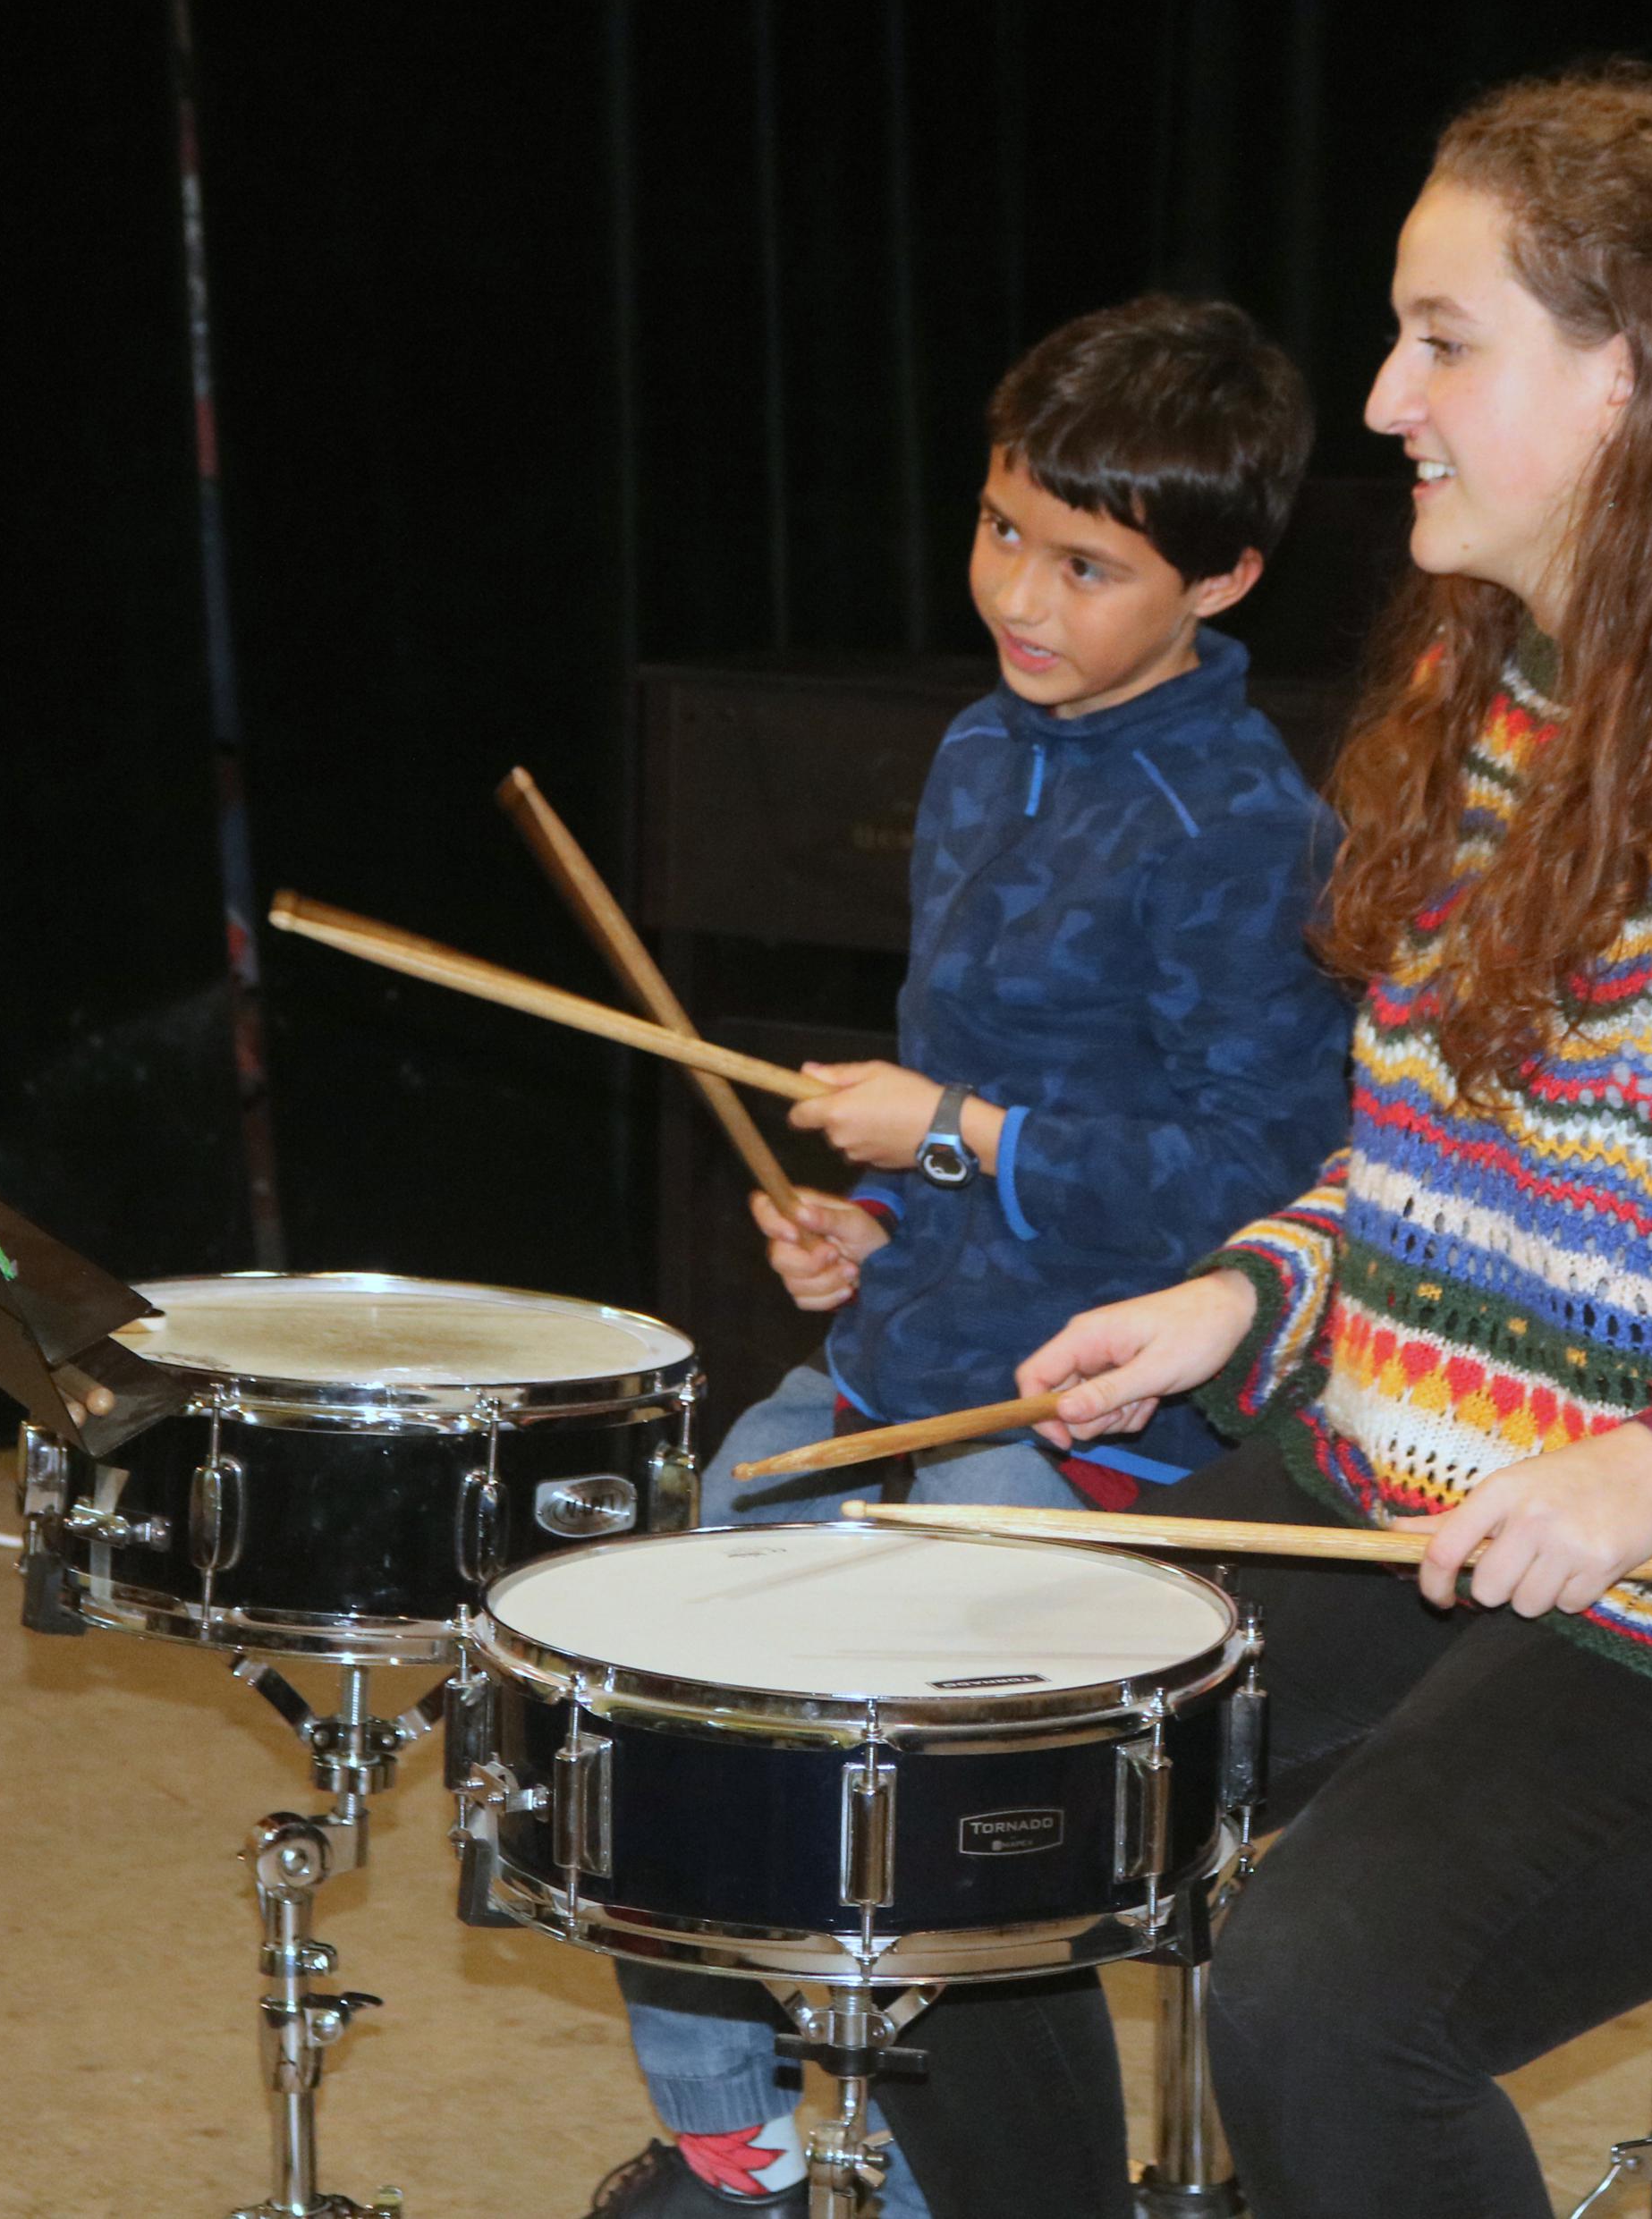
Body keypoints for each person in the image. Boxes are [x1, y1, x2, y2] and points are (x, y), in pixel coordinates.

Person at [868, 66, 1652, 2219]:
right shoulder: (1500, 694)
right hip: (1426, 1486)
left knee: (1315, 1994)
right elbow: (1451, 1182)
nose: (1383, 398)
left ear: (1632, 379)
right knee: (960, 1796)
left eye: (1442, 337)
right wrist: (1233, 1298)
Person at [589, 294, 1352, 2217]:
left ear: (1226, 574)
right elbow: (982, 1111)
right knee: (671, 1621)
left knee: (941, 1756)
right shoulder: (973, 754)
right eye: (1005, 525)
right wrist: (878, 1218)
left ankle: (975, 2171)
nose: (1022, 590)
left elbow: (1251, 1179)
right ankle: (732, 2119)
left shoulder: (1244, 823)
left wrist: (951, 1134)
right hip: (920, 1343)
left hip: (1111, 1401)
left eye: (1089, 564)